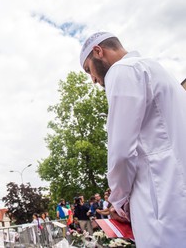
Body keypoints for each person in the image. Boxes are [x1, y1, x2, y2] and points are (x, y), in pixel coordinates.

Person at [79, 32, 186, 247]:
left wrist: (118, 201)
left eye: (89, 70)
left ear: (98, 51)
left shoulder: (122, 71)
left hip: (160, 198)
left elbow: (121, 152)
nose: (92, 79)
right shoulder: (155, 69)